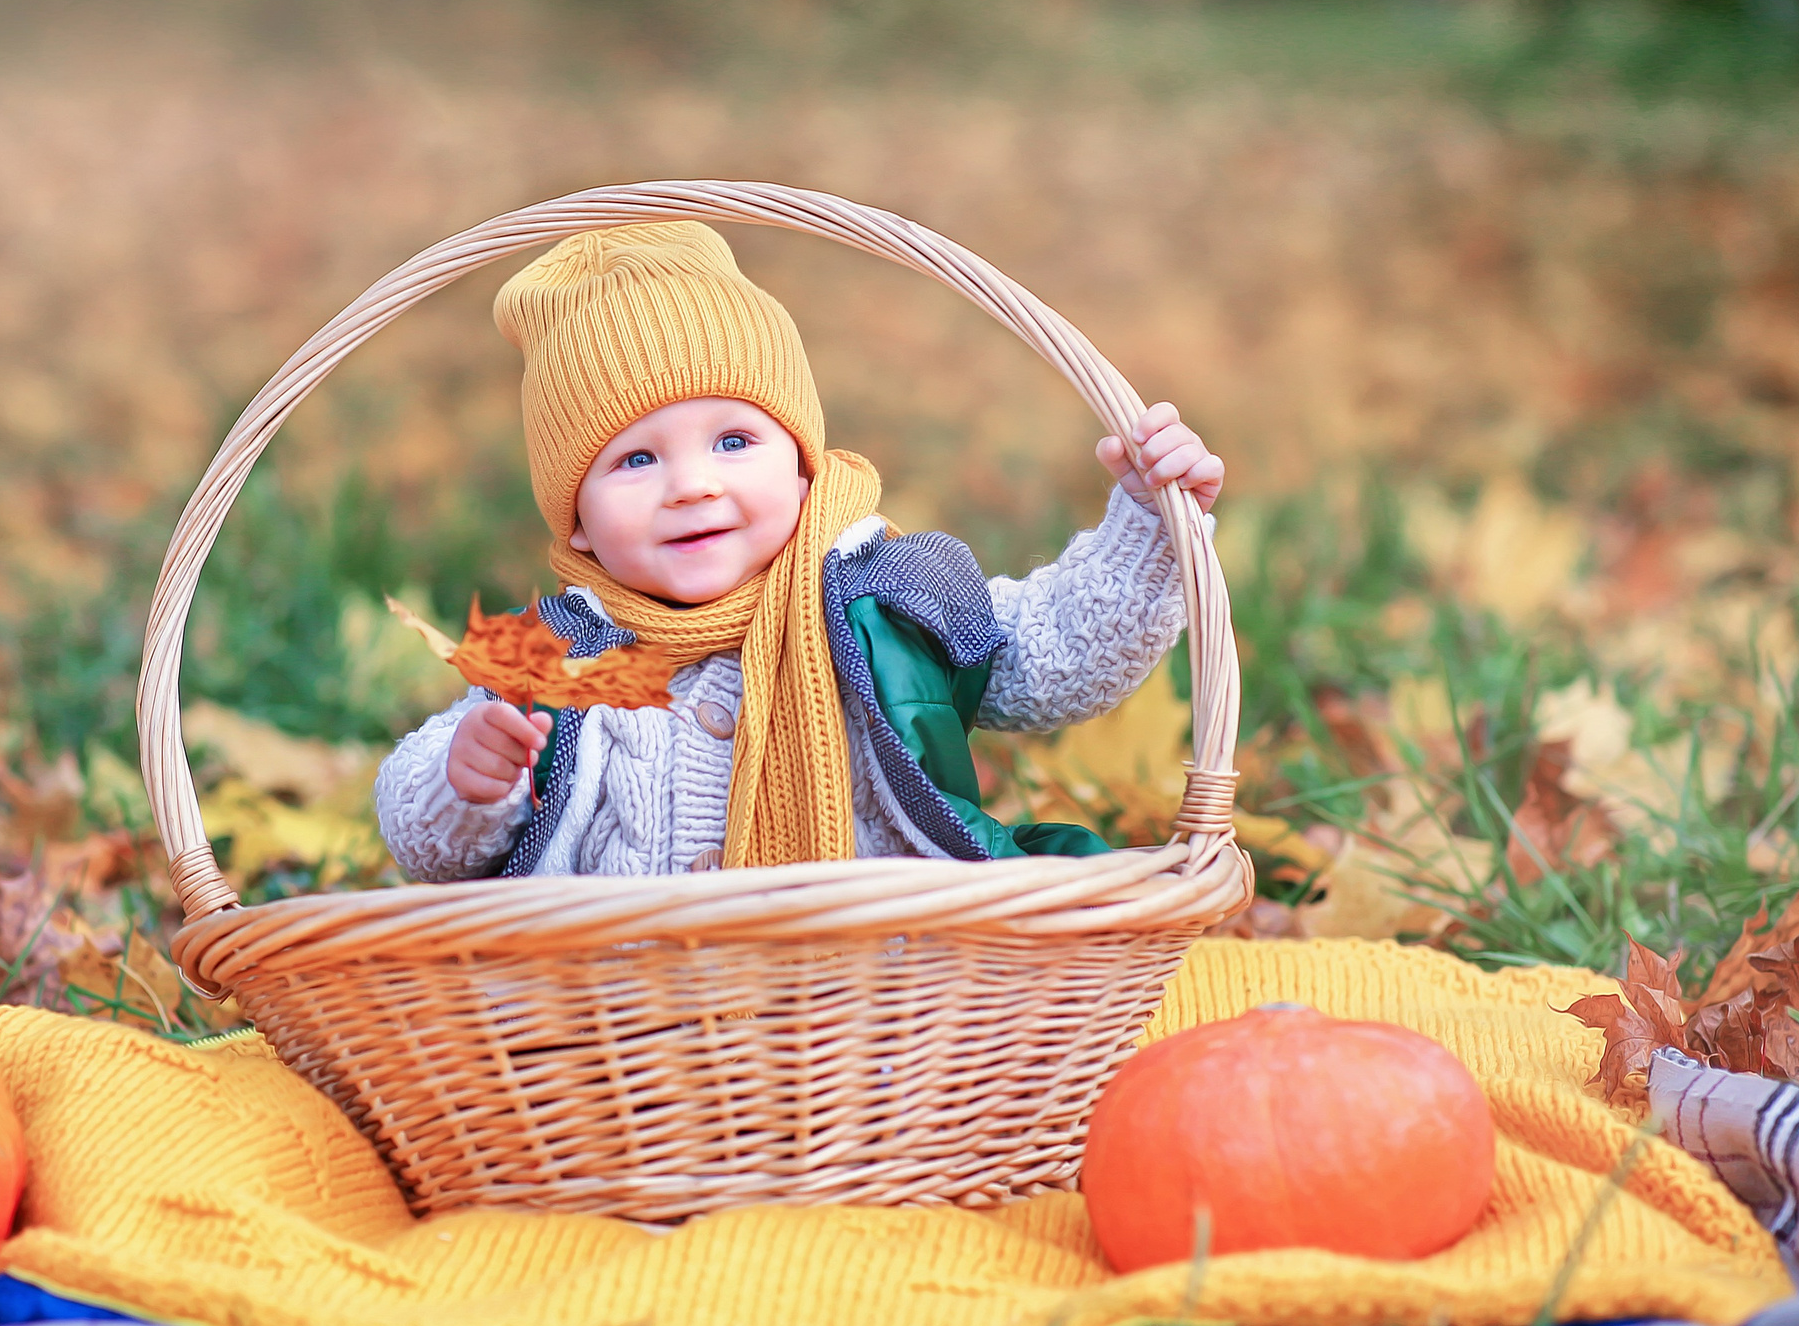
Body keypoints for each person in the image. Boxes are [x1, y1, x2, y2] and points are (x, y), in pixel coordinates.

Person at [373, 221, 1224, 880]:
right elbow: (423, 841)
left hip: (883, 999)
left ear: (803, 459)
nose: (692, 485)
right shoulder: (551, 655)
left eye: (734, 440)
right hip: (627, 1031)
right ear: (579, 523)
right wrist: (464, 781)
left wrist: (1149, 525)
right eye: (636, 459)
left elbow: (1055, 654)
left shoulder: (885, 594)